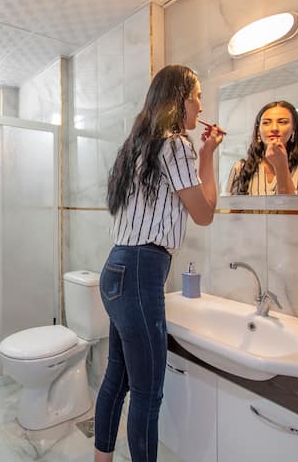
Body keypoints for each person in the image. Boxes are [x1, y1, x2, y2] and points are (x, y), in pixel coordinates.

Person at [94, 64, 222, 462]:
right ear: (181, 99)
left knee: (116, 380)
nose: (201, 106)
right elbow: (204, 213)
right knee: (147, 395)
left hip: (116, 269)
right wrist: (208, 156)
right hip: (140, 271)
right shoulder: (176, 144)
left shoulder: (137, 146)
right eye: (197, 96)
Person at [226, 100, 298, 195]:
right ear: (258, 130)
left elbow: (293, 205)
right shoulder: (240, 168)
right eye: (266, 123)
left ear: (294, 129)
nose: (274, 128)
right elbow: (230, 204)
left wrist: (281, 166)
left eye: (282, 122)